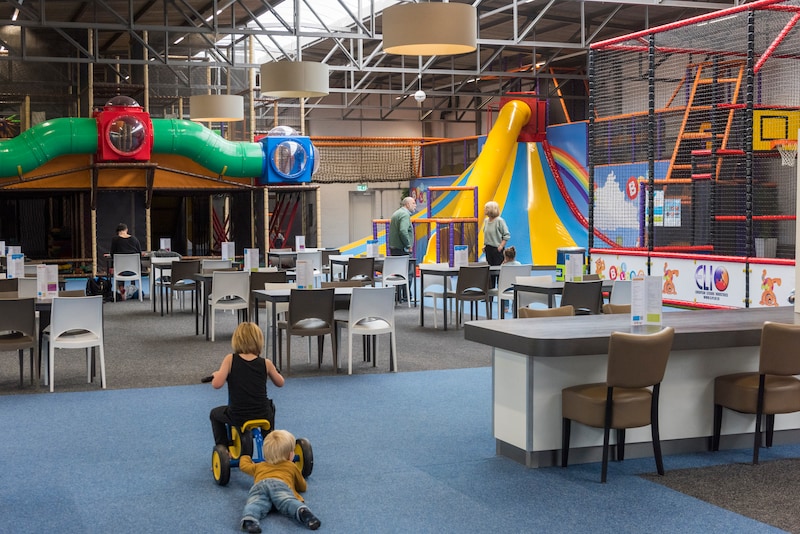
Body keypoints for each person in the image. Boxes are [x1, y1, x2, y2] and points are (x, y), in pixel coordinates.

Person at [209, 322, 284, 448]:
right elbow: (280, 382)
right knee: (271, 407)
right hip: (263, 413)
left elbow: (216, 384)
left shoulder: (230, 359)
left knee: (214, 414)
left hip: (239, 415)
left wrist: (217, 375)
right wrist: (273, 371)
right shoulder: (266, 363)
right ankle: (269, 439)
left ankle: (224, 448)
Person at [239, 429, 321, 533]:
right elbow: (302, 486)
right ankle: (303, 513)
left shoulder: (259, 466)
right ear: (290, 455)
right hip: (279, 485)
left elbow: (244, 466)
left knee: (255, 503)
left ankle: (249, 520)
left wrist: (245, 456)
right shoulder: (291, 466)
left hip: (260, 486)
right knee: (287, 501)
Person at [388, 196, 417, 302]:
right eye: (413, 203)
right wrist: (408, 245)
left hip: (394, 248)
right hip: (402, 249)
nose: (415, 205)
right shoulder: (405, 215)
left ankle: (400, 296)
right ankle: (406, 296)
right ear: (407, 204)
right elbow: (403, 231)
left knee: (398, 273)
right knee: (408, 273)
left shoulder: (396, 213)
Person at [109, 222, 142, 299]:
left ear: (118, 232)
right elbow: (139, 253)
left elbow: (112, 254)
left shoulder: (115, 240)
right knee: (131, 265)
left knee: (119, 268)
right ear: (126, 230)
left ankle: (121, 289)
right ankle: (133, 287)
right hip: (134, 271)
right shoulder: (134, 239)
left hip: (120, 271)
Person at [482, 201, 510, 266]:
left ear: (492, 209)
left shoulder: (500, 221)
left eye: (486, 208)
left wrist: (501, 246)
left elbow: (506, 235)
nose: (485, 210)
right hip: (488, 249)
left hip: (497, 248)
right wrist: (486, 245)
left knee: (498, 268)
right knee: (490, 268)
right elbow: (488, 234)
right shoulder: (486, 221)